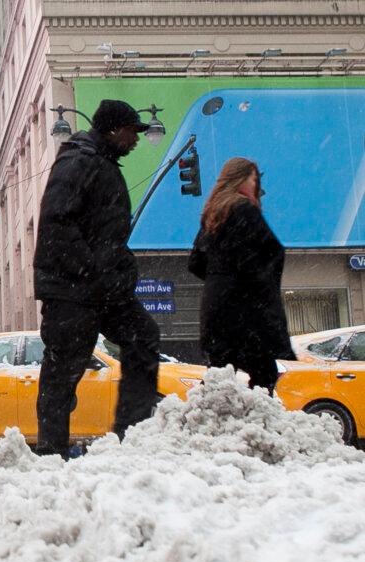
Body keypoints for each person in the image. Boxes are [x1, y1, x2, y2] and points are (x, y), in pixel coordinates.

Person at [33, 99, 161, 459]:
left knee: (144, 337)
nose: (136, 139)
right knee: (64, 368)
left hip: (104, 288)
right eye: (131, 131)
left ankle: (131, 434)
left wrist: (120, 269)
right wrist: (91, 269)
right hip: (73, 288)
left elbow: (107, 233)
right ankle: (50, 452)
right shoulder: (78, 161)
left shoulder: (102, 164)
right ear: (112, 129)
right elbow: (57, 224)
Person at [188, 157, 295, 391]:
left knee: (219, 373)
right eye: (254, 179)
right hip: (244, 310)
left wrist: (219, 280)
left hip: (215, 306)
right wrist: (255, 286)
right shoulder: (244, 209)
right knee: (264, 372)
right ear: (241, 179)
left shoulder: (213, 213)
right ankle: (258, 423)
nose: (256, 186)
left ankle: (205, 423)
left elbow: (195, 262)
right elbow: (266, 254)